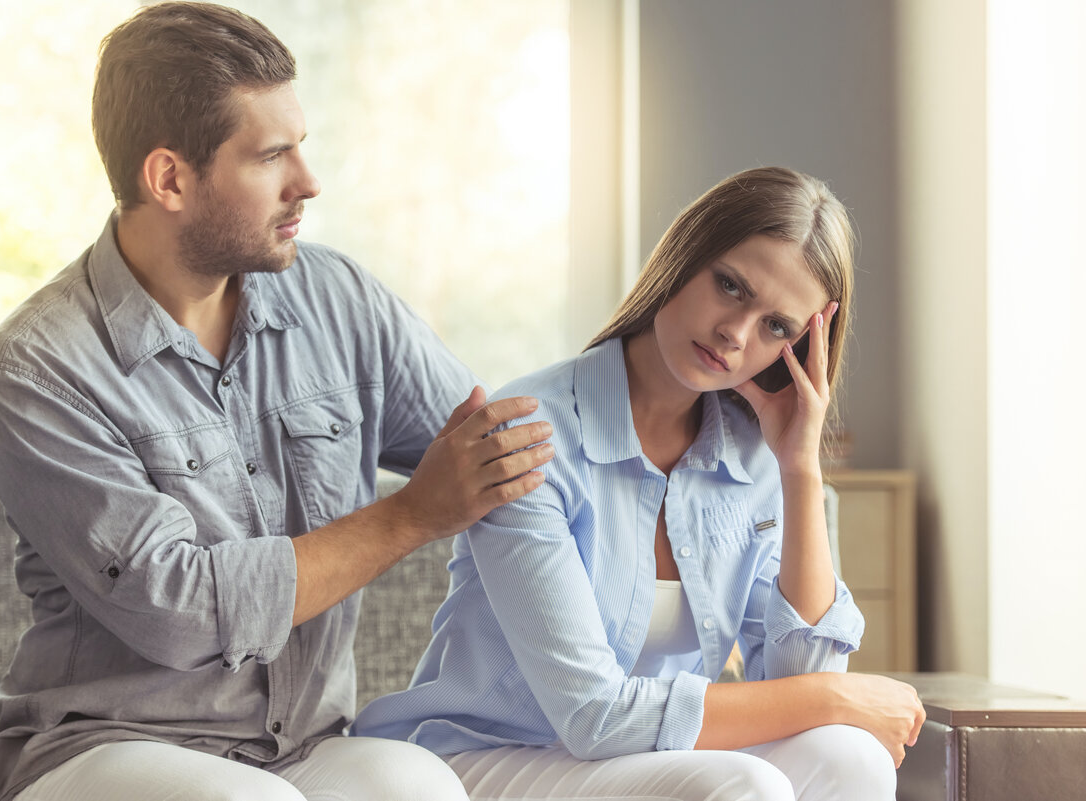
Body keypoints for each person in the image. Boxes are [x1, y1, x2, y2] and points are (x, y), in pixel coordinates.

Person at [0, 4, 554, 801]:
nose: (307, 182)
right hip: (100, 747)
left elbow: (497, 452)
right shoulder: (39, 369)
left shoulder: (338, 299)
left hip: (299, 745)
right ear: (169, 177)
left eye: (300, 145)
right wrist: (413, 513)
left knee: (420, 785)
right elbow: (182, 610)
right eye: (272, 155)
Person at [353, 167, 927, 800]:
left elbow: (802, 676)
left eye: (777, 327)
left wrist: (799, 469)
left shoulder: (754, 457)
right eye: (731, 286)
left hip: (642, 760)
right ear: (684, 257)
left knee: (852, 759)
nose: (735, 334)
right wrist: (833, 694)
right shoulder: (529, 435)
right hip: (488, 755)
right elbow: (591, 715)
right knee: (746, 785)